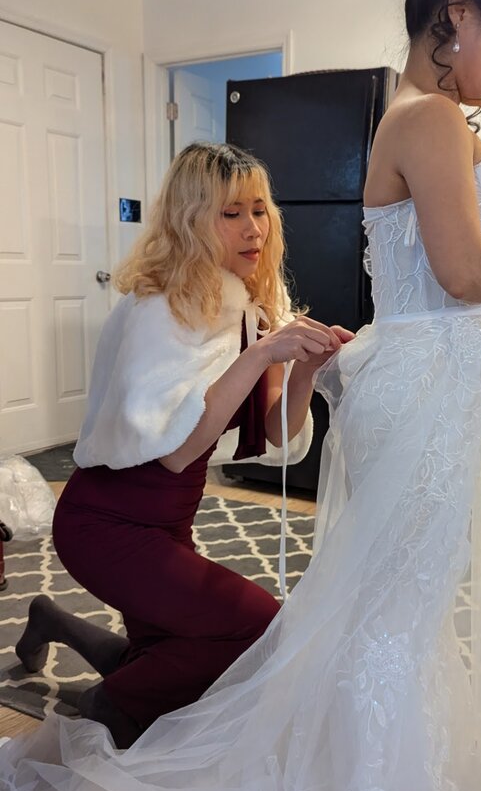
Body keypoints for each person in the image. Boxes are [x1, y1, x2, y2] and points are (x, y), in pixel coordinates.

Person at [0, 0, 481, 791]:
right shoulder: (424, 121)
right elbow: (459, 270)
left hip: (412, 385)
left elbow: (432, 296)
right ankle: (322, 786)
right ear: (459, 12)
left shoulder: (411, 133)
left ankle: (365, 777)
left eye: (260, 210)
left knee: (395, 604)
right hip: (146, 509)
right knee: (361, 613)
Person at [14, 141, 351, 748]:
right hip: (105, 525)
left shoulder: (250, 305)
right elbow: (174, 450)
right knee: (257, 627)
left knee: (173, 655)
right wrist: (260, 356)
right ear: (190, 220)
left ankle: (52, 620)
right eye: (230, 213)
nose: (253, 228)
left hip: (167, 524)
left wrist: (305, 369)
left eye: (259, 210)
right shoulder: (158, 309)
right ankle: (103, 711)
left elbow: (277, 433)